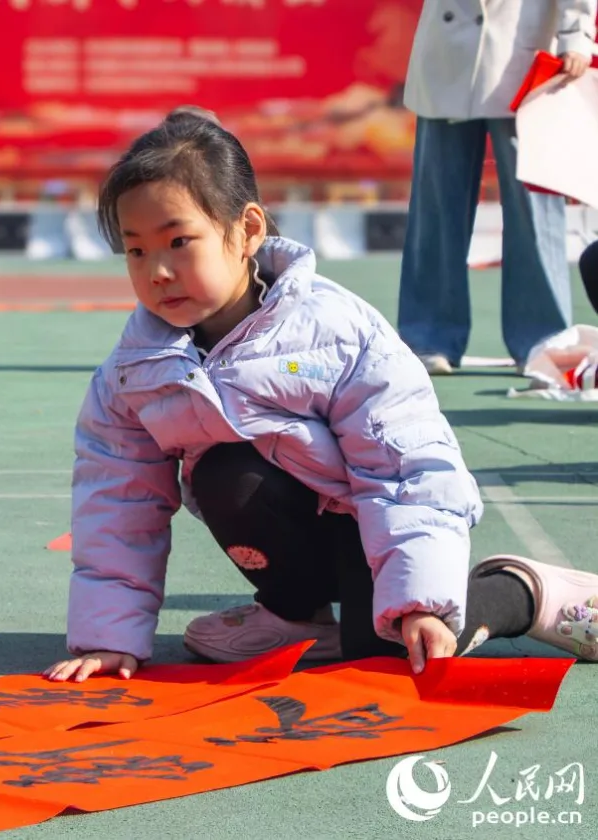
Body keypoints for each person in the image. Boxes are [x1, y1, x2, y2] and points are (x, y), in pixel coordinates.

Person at [43, 114, 598, 684]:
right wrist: (110, 639)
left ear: (248, 229)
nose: (157, 271)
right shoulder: (135, 371)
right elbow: (117, 502)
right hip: (289, 541)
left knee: (389, 657)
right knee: (227, 473)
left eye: (179, 241)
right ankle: (296, 615)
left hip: (376, 533)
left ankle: (519, 593)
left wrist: (419, 600)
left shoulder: (335, 332)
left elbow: (406, 469)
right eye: (136, 252)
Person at [396, 1, 596, 376]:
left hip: (528, 53)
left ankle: (543, 338)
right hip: (446, 52)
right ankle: (427, 337)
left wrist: (576, 33)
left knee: (535, 207)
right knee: (436, 208)